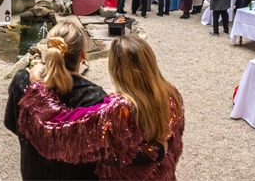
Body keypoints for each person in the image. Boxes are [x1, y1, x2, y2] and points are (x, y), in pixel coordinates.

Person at [18, 34, 185, 180]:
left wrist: (38, 86)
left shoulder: (120, 111)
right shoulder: (171, 94)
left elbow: (56, 129)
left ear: (115, 69)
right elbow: (172, 145)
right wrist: (157, 152)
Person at [4, 21, 108, 180]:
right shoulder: (94, 97)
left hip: (34, 173)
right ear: (82, 55)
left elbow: (12, 123)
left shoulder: (23, 81)